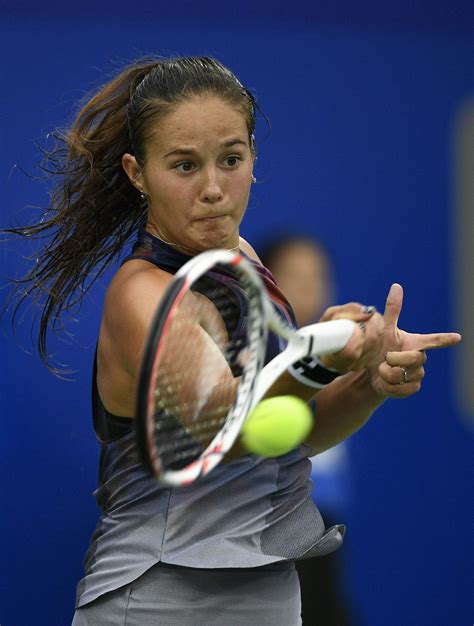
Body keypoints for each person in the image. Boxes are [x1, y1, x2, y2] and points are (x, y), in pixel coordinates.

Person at [2, 57, 461, 625]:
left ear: (252, 158)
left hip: (270, 592)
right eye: (184, 166)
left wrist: (367, 383)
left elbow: (291, 435)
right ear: (137, 171)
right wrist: (315, 357)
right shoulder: (142, 295)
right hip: (156, 596)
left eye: (231, 160)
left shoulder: (247, 265)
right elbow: (227, 430)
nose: (214, 189)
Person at [259, 235, 359, 625]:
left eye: (318, 275)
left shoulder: (335, 356)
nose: (309, 286)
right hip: (268, 549)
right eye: (295, 276)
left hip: (322, 543)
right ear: (269, 284)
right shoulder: (256, 357)